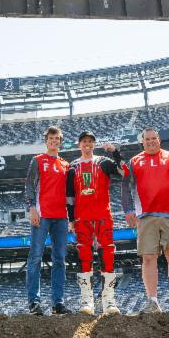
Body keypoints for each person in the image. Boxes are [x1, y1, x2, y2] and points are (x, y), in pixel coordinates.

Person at [121, 128, 169, 313]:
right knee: (148, 257)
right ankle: (152, 301)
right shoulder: (134, 161)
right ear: (142, 142)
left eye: (154, 138)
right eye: (147, 139)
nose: (151, 141)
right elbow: (125, 187)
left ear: (159, 140)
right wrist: (128, 210)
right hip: (145, 215)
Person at [65, 132, 125, 315]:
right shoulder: (72, 167)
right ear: (79, 144)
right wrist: (71, 219)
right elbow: (69, 196)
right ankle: (86, 302)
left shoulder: (104, 162)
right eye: (84, 141)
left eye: (90, 141)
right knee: (84, 258)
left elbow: (124, 172)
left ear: (94, 144)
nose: (87, 144)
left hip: (103, 216)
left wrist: (115, 152)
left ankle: (109, 301)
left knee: (108, 256)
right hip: (82, 218)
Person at [24, 126, 70, 314]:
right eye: (51, 138)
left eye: (57, 138)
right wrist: (32, 208)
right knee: (35, 257)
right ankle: (33, 303)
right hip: (42, 215)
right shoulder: (37, 160)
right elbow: (29, 186)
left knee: (60, 259)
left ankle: (58, 302)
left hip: (61, 217)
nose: (54, 141)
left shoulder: (66, 164)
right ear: (46, 141)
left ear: (60, 141)